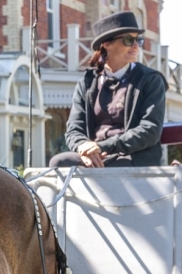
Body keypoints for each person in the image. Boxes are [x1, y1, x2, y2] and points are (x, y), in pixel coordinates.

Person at [49, 11, 168, 168]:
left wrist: (101, 147)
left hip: (133, 157)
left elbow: (150, 130)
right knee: (59, 162)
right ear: (106, 44)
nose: (135, 45)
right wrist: (83, 148)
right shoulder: (86, 83)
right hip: (96, 156)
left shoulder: (150, 80)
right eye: (128, 39)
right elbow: (73, 129)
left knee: (117, 165)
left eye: (138, 40)